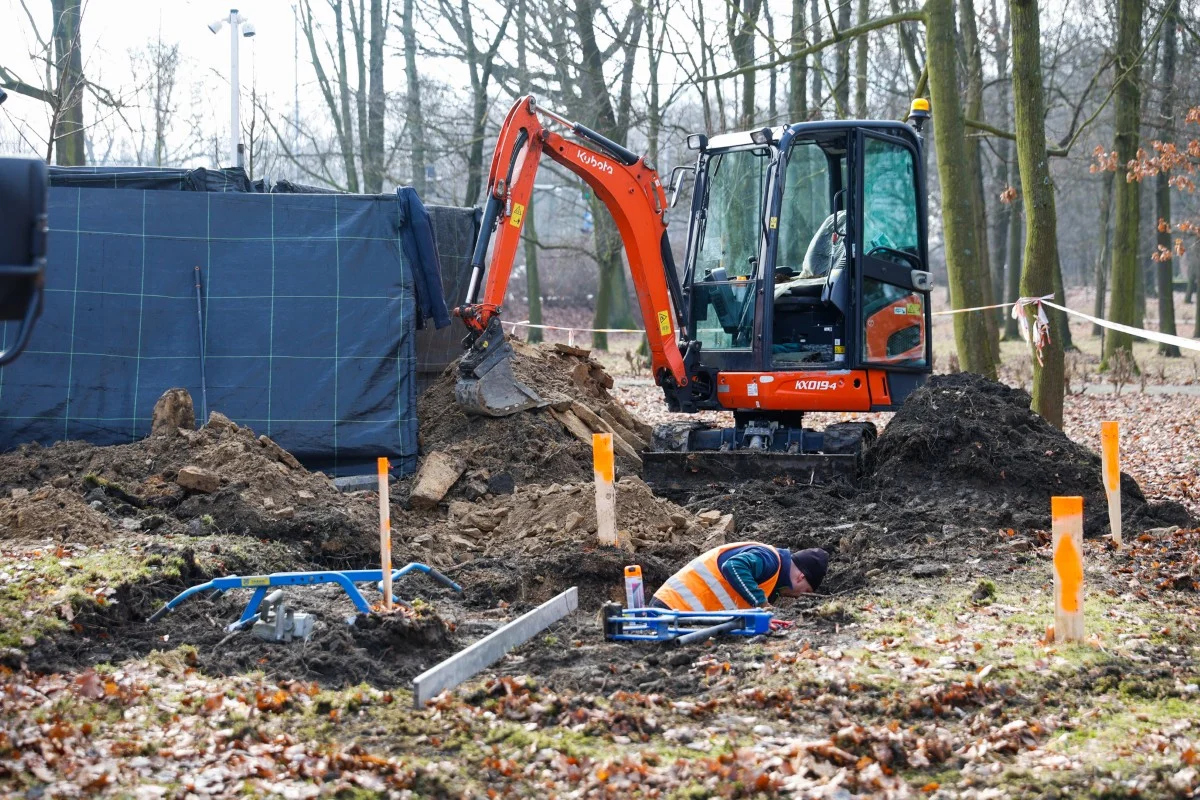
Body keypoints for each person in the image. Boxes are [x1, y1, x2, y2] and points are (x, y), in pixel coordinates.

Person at [650, 541, 828, 613]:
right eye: (804, 591)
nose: (798, 596)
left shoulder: (772, 577)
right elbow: (733, 566)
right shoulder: (770, 560)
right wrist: (761, 603)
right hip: (671, 606)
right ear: (800, 577)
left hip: (680, 612)